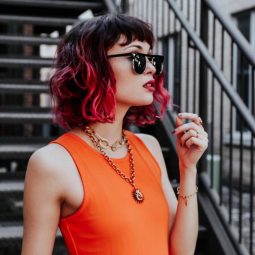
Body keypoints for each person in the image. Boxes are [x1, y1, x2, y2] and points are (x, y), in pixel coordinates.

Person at [21, 13, 208, 255]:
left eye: (152, 57)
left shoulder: (149, 145)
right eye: (137, 56)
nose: (152, 68)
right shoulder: (52, 163)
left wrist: (188, 169)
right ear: (93, 65)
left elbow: (181, 251)